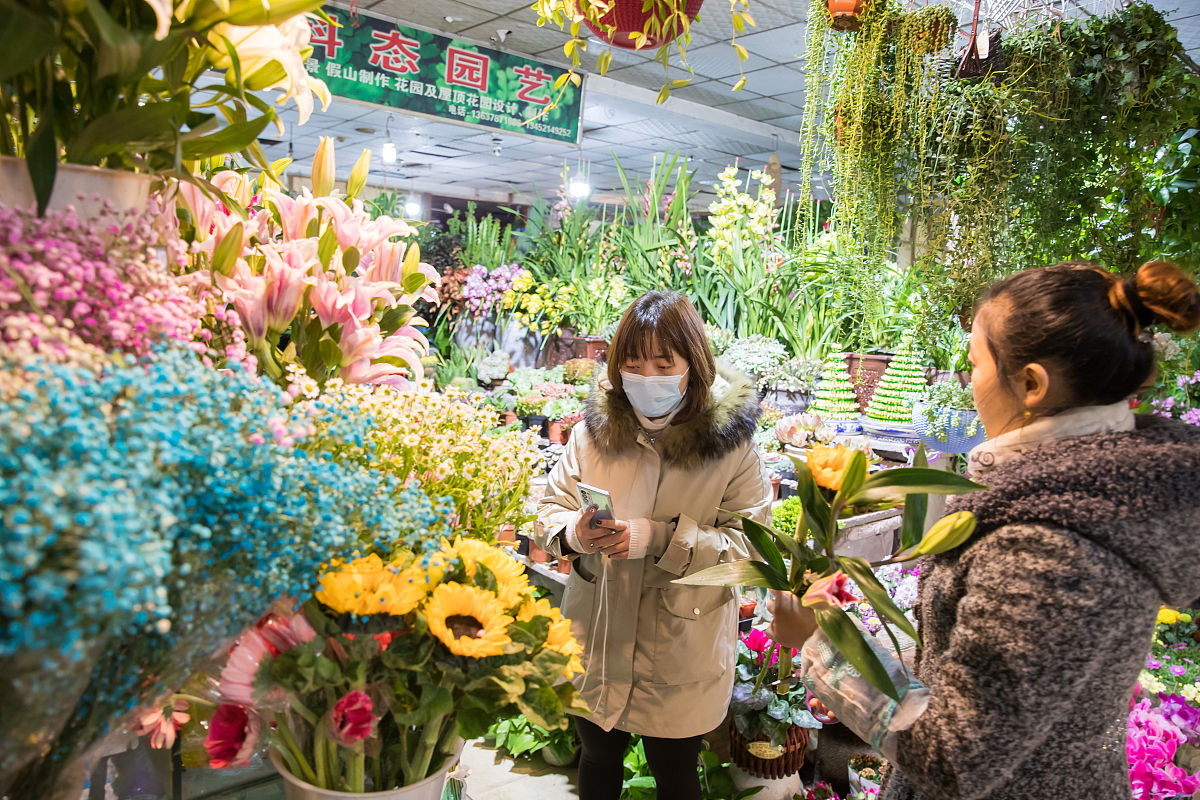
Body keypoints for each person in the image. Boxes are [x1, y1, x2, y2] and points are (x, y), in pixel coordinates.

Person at [769, 260, 1200, 799]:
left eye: (974, 364)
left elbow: (954, 756)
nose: (968, 383)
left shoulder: (1048, 546)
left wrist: (823, 645)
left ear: (1032, 384)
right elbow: (986, 684)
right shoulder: (1099, 497)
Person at [534, 291, 771, 800]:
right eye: (633, 363)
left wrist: (659, 539)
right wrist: (574, 533)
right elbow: (549, 509)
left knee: (676, 776)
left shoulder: (731, 447)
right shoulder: (593, 434)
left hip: (680, 651)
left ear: (694, 365)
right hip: (598, 637)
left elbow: (752, 552)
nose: (647, 377)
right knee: (596, 758)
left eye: (664, 364)